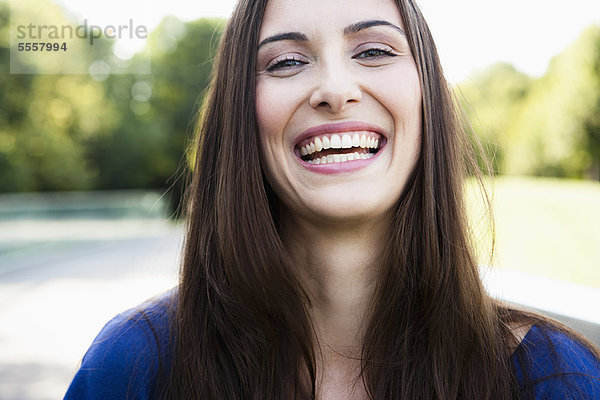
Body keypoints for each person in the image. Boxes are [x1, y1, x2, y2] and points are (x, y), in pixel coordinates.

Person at [64, 0, 600, 398]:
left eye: (373, 51)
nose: (335, 89)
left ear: (425, 95)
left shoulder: (553, 376)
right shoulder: (132, 366)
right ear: (239, 116)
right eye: (286, 63)